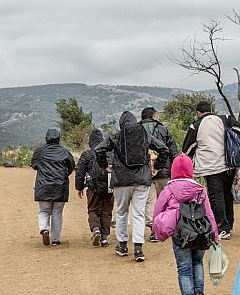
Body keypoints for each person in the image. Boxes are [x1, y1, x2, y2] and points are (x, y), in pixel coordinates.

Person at [95, 111, 169, 262]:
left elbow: (99, 149)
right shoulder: (144, 134)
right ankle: (138, 248)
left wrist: (106, 166)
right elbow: (164, 149)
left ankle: (122, 246)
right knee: (139, 213)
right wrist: (157, 166)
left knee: (122, 212)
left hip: (121, 180)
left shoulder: (116, 135)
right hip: (142, 179)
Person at [152, 154, 218, 295]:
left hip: (180, 233)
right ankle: (199, 294)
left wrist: (158, 229)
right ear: (191, 171)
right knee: (197, 262)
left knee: (184, 268)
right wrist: (214, 234)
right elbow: (209, 213)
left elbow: (157, 210)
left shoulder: (169, 189)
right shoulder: (200, 189)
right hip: (200, 233)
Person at [182, 100, 240, 240]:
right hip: (229, 164)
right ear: (210, 109)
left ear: (198, 112)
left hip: (211, 167)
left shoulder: (196, 125)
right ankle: (229, 224)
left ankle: (222, 228)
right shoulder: (226, 119)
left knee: (216, 197)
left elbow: (187, 149)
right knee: (227, 194)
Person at [139, 107, 179, 242]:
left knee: (150, 201)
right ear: (154, 116)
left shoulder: (137, 131)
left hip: (144, 173)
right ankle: (165, 228)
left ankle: (153, 231)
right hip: (164, 172)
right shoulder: (164, 130)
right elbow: (173, 151)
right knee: (165, 201)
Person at [31, 129, 75, 246]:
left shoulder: (39, 151)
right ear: (58, 138)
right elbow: (71, 167)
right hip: (60, 187)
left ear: (46, 138)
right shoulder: (65, 152)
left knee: (44, 210)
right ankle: (55, 239)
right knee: (57, 212)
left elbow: (34, 165)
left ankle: (44, 229)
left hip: (43, 186)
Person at [75, 128, 114, 247]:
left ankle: (96, 229)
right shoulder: (110, 153)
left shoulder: (87, 154)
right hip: (109, 186)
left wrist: (79, 187)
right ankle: (104, 238)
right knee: (107, 211)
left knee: (93, 209)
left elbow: (80, 172)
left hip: (93, 187)